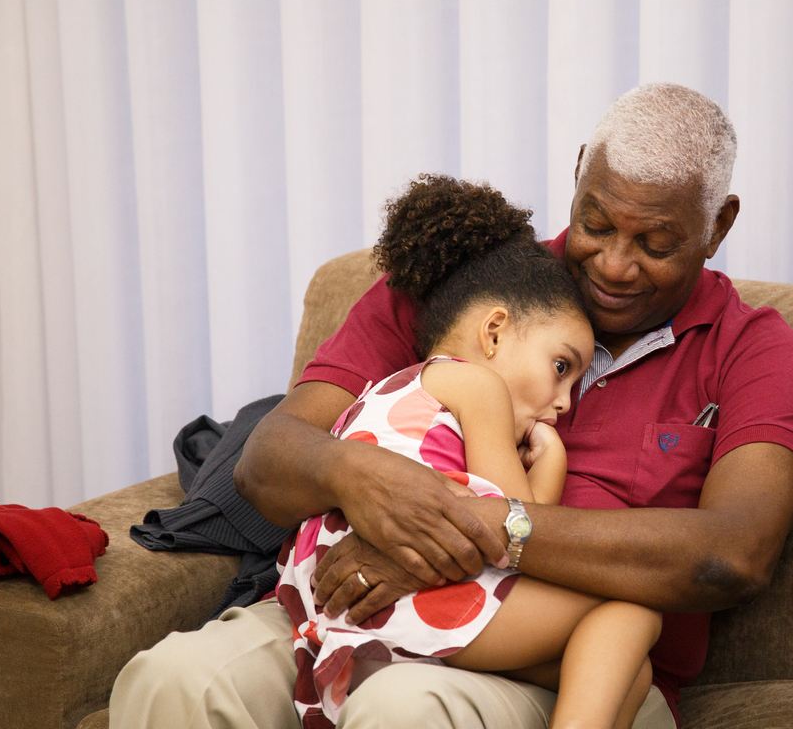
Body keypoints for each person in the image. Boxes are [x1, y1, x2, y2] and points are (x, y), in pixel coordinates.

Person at [109, 82, 793, 729]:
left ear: (718, 226)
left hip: (566, 662)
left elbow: (734, 555)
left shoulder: (755, 352)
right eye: (597, 224)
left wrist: (468, 532)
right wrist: (367, 483)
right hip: (357, 612)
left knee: (403, 707)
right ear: (578, 175)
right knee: (173, 681)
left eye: (656, 243)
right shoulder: (466, 287)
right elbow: (270, 459)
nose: (613, 263)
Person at [278, 174, 660, 729]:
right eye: (561, 368)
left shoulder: (394, 389)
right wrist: (551, 461)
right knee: (632, 607)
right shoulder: (477, 389)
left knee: (627, 673)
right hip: (396, 609)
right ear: (494, 332)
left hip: (329, 606)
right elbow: (517, 527)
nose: (562, 403)